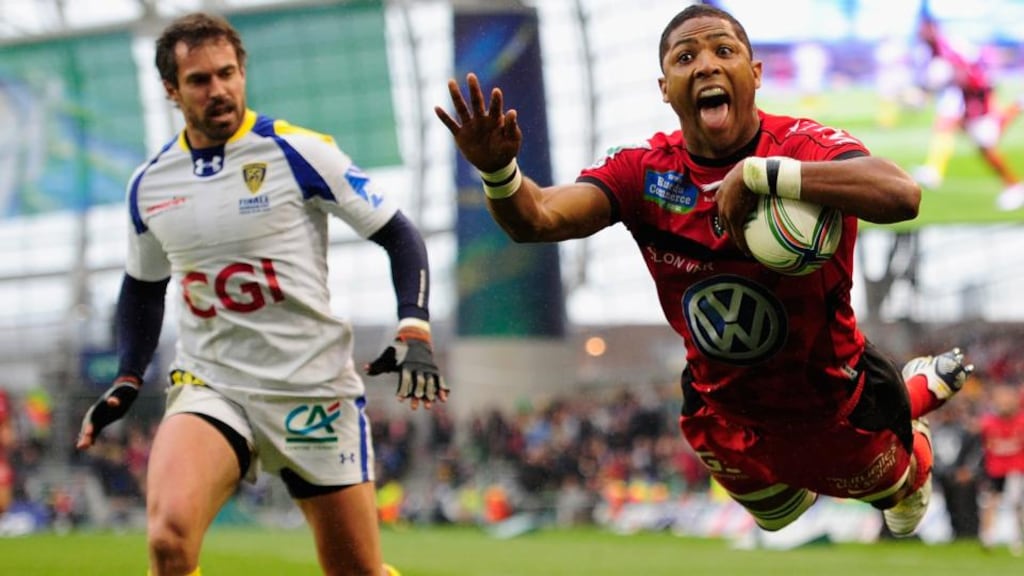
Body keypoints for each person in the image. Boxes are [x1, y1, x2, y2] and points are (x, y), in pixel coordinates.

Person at [436, 3, 972, 538]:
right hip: (720, 409)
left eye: (724, 50)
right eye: (685, 56)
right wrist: (497, 170)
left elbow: (901, 194)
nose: (707, 65)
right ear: (666, 87)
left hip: (832, 401)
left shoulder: (800, 146)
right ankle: (873, 432)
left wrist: (765, 174)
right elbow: (536, 218)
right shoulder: (643, 172)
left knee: (897, 502)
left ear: (755, 74)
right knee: (778, 515)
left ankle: (914, 405)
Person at [75, 12, 446, 576]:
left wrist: (413, 324)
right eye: (199, 80)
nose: (218, 89)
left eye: (228, 73)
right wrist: (128, 375)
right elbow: (144, 288)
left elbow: (399, 234)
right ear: (172, 91)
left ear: (243, 71)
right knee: (168, 542)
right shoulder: (150, 185)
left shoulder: (299, 152)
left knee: (357, 570)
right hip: (213, 385)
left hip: (311, 388)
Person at [911, 15, 1024, 211]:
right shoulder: (936, 48)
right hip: (967, 94)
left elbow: (966, 72)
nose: (919, 33)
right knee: (967, 133)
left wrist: (940, 82)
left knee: (984, 140)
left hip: (976, 92)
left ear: (931, 28)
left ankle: (1014, 185)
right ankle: (934, 170)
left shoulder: (948, 46)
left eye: (923, 29)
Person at [977, 383, 1024, 555]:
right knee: (989, 502)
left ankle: (1016, 539)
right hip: (994, 469)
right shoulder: (988, 422)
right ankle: (987, 538)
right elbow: (982, 446)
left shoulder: (1021, 421)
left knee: (1015, 503)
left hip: (1015, 469)